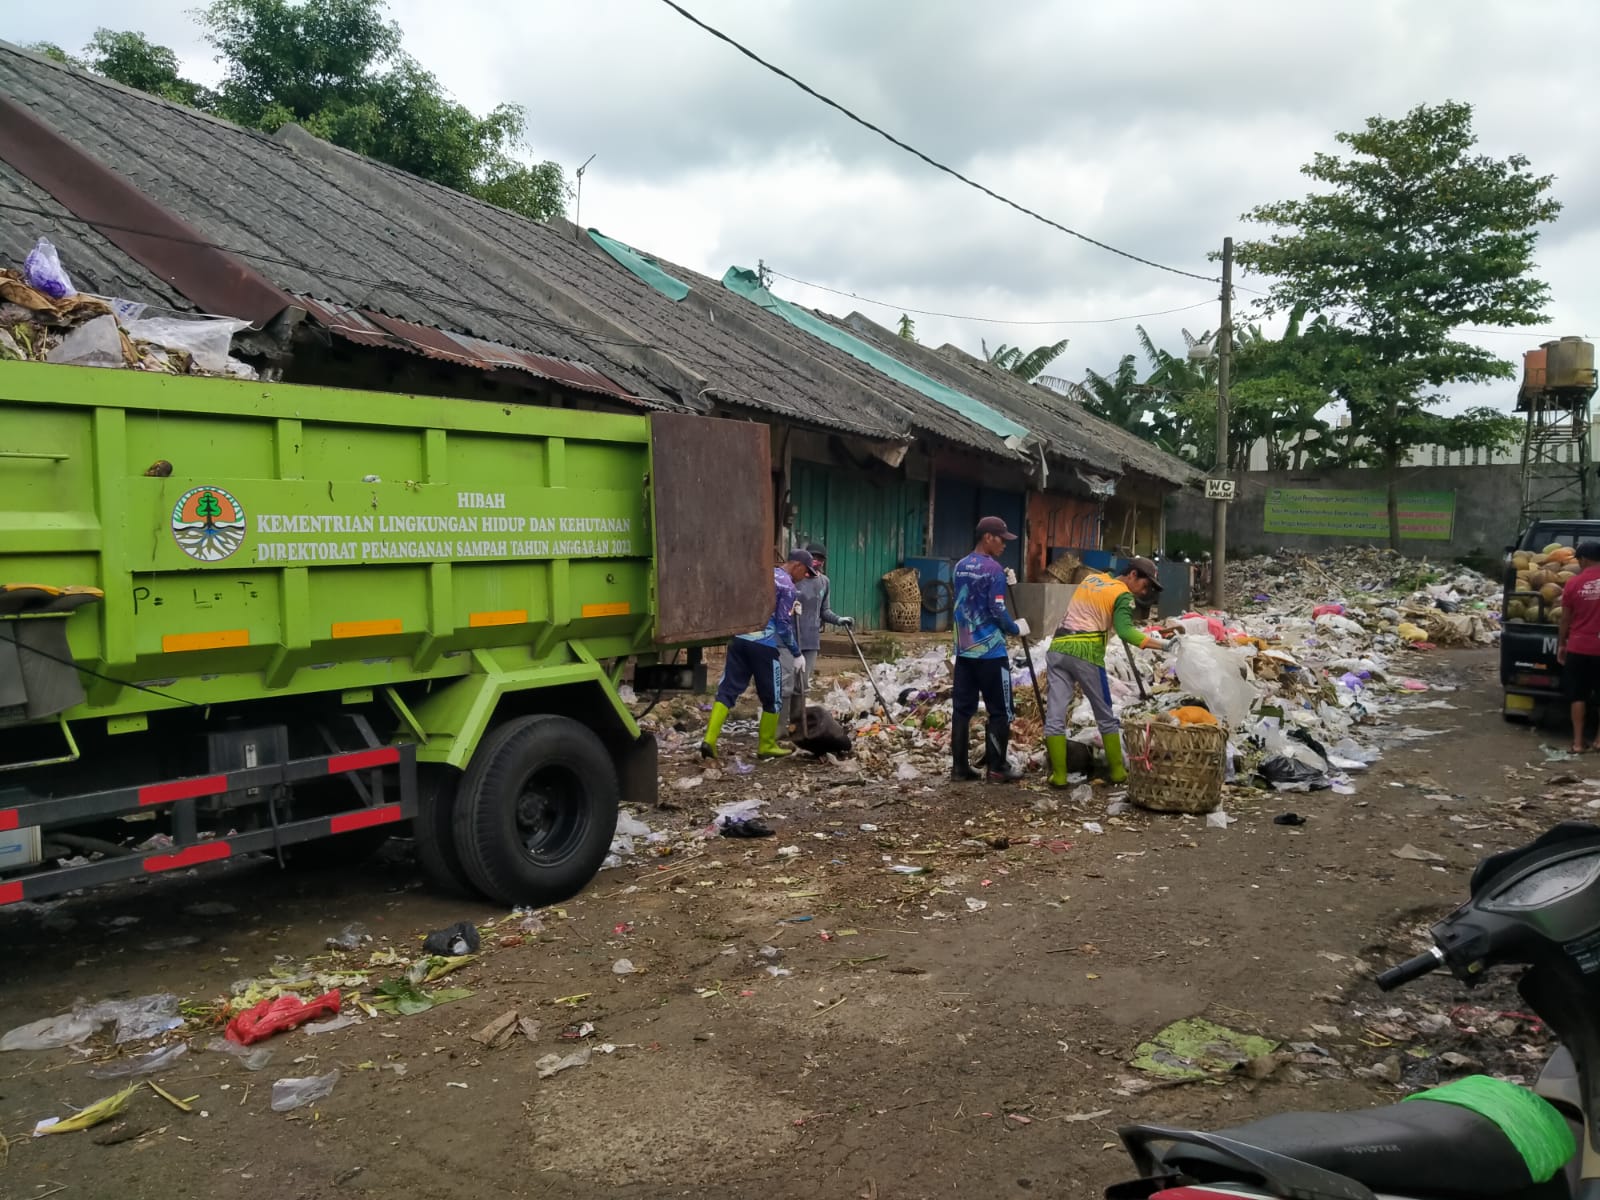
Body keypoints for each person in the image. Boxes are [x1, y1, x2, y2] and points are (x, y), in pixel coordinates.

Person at [1043, 557, 1167, 786]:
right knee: (1105, 715)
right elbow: (1126, 633)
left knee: (1055, 716)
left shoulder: (1092, 579)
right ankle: (1118, 772)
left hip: (1058, 648)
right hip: (1086, 653)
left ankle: (1059, 776)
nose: (1145, 590)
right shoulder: (1123, 595)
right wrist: (1164, 645)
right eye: (1145, 584)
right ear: (1132, 575)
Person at [702, 549, 816, 762]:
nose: (805, 577)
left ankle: (709, 739)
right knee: (772, 697)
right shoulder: (787, 586)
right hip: (764, 645)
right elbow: (782, 627)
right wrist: (796, 653)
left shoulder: (759, 575)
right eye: (806, 572)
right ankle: (766, 745)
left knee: (727, 691)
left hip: (739, 640)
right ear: (798, 566)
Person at [950, 516, 1029, 783]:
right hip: (991, 653)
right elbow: (996, 608)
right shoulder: (993, 569)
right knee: (1000, 710)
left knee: (962, 710)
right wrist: (1015, 628)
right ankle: (997, 768)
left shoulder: (960, 566)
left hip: (964, 651)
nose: (1004, 545)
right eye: (1001, 539)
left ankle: (959, 768)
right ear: (987, 537)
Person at [784, 543, 853, 733]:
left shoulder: (824, 582)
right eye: (814, 557)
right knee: (787, 684)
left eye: (821, 559)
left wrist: (839, 619)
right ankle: (781, 727)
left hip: (810, 639)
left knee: (803, 685)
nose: (817, 561)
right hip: (790, 638)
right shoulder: (793, 578)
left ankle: (797, 724)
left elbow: (824, 611)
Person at [1558, 542, 1600, 753]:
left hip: (1579, 646)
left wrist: (1561, 644)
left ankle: (1577, 743)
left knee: (1578, 695)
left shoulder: (1573, 583)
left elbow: (1565, 620)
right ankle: (1599, 741)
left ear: (1583, 559)